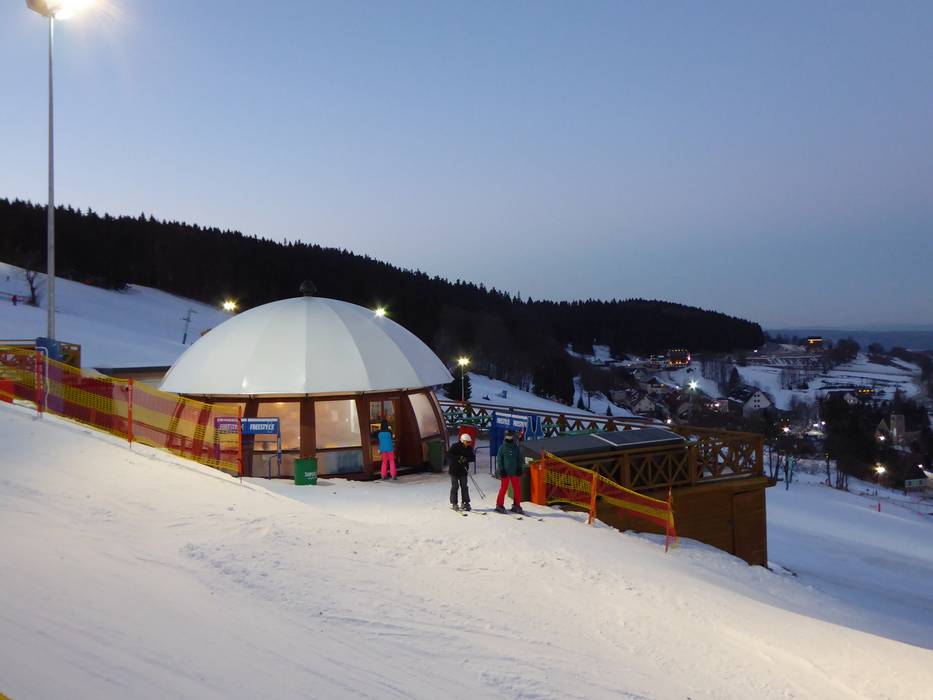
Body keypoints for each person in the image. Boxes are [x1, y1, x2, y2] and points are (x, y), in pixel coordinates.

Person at [495, 429, 525, 514]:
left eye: (510, 436)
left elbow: (520, 459)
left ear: (513, 437)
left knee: (517, 488)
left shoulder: (516, 448)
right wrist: (501, 470)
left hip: (515, 471)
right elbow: (499, 460)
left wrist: (520, 468)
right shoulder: (502, 448)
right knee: (504, 488)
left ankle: (517, 505)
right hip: (505, 472)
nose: (509, 438)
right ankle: (499, 504)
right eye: (507, 436)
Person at [448, 433, 474, 511]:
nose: (468, 443)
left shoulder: (469, 448)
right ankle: (454, 503)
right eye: (467, 442)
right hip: (454, 470)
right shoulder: (455, 446)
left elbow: (472, 457)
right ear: (462, 441)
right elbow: (448, 455)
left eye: (469, 442)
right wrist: (459, 458)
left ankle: (465, 502)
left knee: (464, 486)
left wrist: (466, 459)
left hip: (463, 470)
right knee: (455, 486)